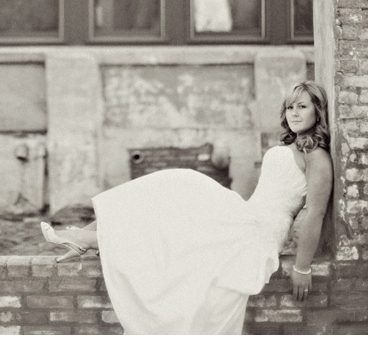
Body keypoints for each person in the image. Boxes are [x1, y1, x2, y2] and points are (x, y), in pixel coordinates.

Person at [41, 80, 333, 334]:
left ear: (317, 111)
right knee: (172, 186)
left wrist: (303, 267)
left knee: (180, 214)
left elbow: (316, 213)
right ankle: (87, 237)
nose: (294, 114)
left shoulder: (317, 158)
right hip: (246, 213)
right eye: (290, 108)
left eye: (302, 107)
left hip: (260, 232)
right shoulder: (293, 147)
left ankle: (89, 239)